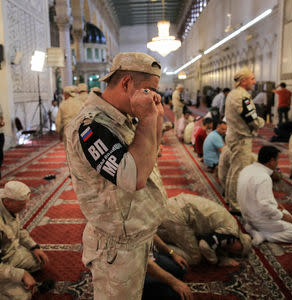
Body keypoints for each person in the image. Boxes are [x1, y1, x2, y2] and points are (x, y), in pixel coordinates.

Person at [64, 52, 167, 299]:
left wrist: (157, 119)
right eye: (149, 90)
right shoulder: (91, 126)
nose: (155, 97)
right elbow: (134, 178)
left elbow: (152, 154)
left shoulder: (121, 117)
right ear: (126, 83)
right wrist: (148, 118)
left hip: (135, 236)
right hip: (116, 248)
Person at [238, 146, 292, 245]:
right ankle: (264, 235)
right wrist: (283, 216)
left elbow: (278, 175)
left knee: (282, 210)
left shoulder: (247, 169)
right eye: (277, 160)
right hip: (258, 217)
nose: (278, 162)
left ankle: (252, 228)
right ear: (271, 161)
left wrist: (275, 204)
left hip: (247, 215)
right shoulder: (264, 177)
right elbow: (264, 206)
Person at [157, 194, 251, 267]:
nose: (235, 252)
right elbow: (204, 245)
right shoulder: (231, 234)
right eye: (239, 250)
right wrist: (218, 261)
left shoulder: (231, 225)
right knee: (194, 258)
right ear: (240, 241)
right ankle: (155, 246)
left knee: (189, 242)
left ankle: (156, 238)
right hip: (176, 215)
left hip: (173, 205)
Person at [224, 67, 265, 213]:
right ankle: (235, 204)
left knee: (234, 170)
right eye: (252, 78)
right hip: (241, 138)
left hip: (234, 136)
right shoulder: (242, 97)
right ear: (244, 80)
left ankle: (230, 198)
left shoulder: (232, 94)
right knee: (239, 171)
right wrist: (262, 122)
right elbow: (252, 119)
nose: (254, 82)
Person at [143, 234, 192, 300]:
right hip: (141, 271)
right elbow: (146, 264)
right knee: (176, 294)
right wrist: (174, 282)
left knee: (182, 268)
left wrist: (173, 254)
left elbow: (153, 235)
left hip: (153, 257)